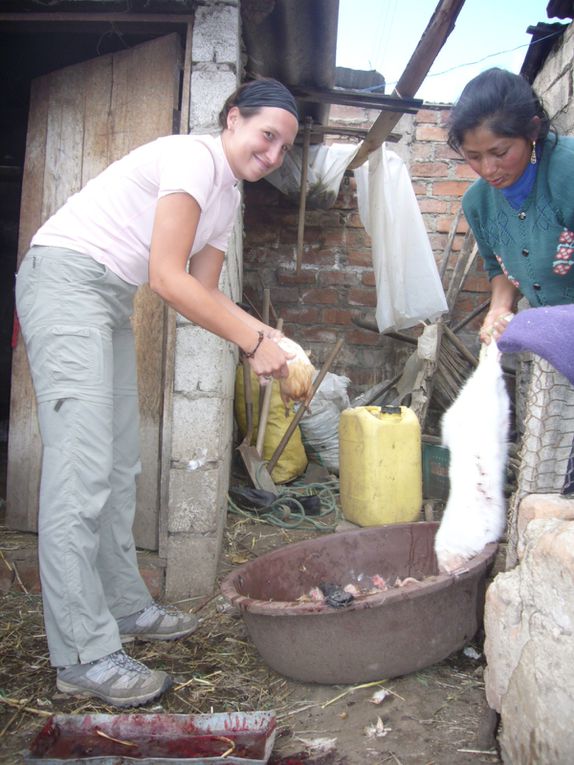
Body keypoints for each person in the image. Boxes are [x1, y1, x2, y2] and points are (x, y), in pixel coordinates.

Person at [14, 77, 299, 707]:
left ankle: (122, 604)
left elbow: (205, 296)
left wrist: (262, 336)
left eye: (284, 146)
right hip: (65, 280)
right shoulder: (193, 159)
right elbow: (169, 279)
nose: (274, 154)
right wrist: (254, 342)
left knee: (119, 462)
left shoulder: (226, 200)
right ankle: (84, 655)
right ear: (233, 120)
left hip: (107, 298)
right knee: (83, 471)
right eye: (267, 135)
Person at [447, 67, 574, 344]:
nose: (489, 169)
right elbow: (497, 265)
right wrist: (499, 308)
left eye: (500, 152)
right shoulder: (478, 203)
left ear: (532, 130)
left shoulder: (568, 172)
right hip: (555, 336)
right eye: (473, 156)